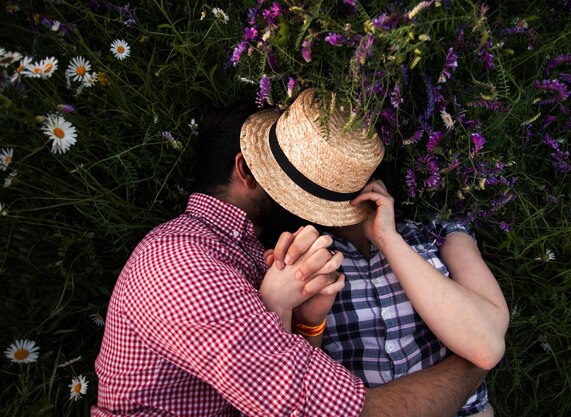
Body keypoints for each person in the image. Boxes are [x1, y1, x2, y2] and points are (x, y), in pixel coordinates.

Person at [92, 92, 490, 417]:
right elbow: (344, 413)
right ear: (247, 170)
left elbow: (285, 365)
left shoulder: (251, 251)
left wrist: (308, 323)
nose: (307, 189)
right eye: (287, 167)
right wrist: (471, 366)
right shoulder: (185, 265)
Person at [242, 88, 509, 417]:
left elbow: (486, 346)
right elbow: (300, 389)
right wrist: (309, 322)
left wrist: (388, 239)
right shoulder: (294, 255)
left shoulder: (438, 234)